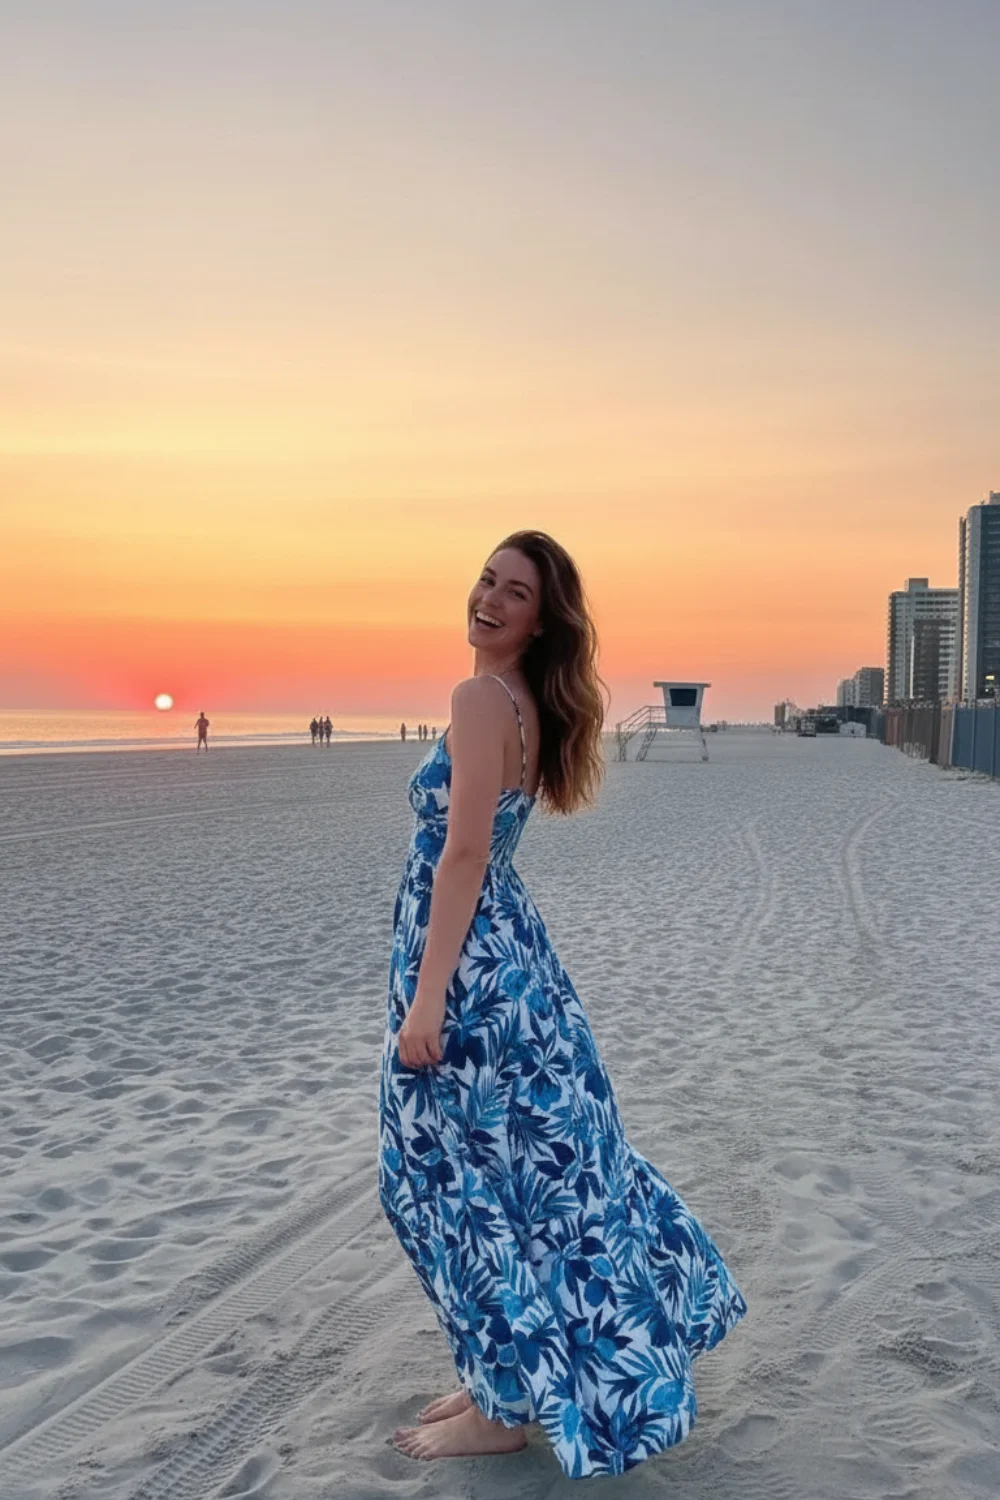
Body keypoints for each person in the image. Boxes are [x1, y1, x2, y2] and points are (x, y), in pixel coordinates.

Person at [379, 531, 745, 1477]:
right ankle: (501, 1377)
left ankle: (503, 1408)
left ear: (542, 620)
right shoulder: (527, 704)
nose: (491, 600)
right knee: (514, 1177)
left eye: (516, 593)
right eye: (486, 580)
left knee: (439, 1182)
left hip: (466, 972)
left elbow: (462, 855)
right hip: (514, 965)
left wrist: (426, 1002)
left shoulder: (474, 699)